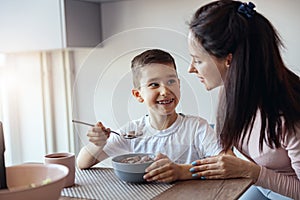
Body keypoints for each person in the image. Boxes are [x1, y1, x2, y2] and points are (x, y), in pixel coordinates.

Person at [186, 1, 300, 199]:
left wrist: (252, 172)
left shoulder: (287, 116)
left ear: (228, 60)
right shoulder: (232, 93)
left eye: (198, 60)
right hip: (264, 186)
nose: (191, 68)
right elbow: (225, 149)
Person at [76, 49, 223, 183]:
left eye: (171, 81)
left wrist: (182, 171)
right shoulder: (132, 132)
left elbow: (223, 162)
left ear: (179, 85)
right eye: (154, 84)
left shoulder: (197, 128)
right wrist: (98, 144)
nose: (165, 91)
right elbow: (82, 163)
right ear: (138, 94)